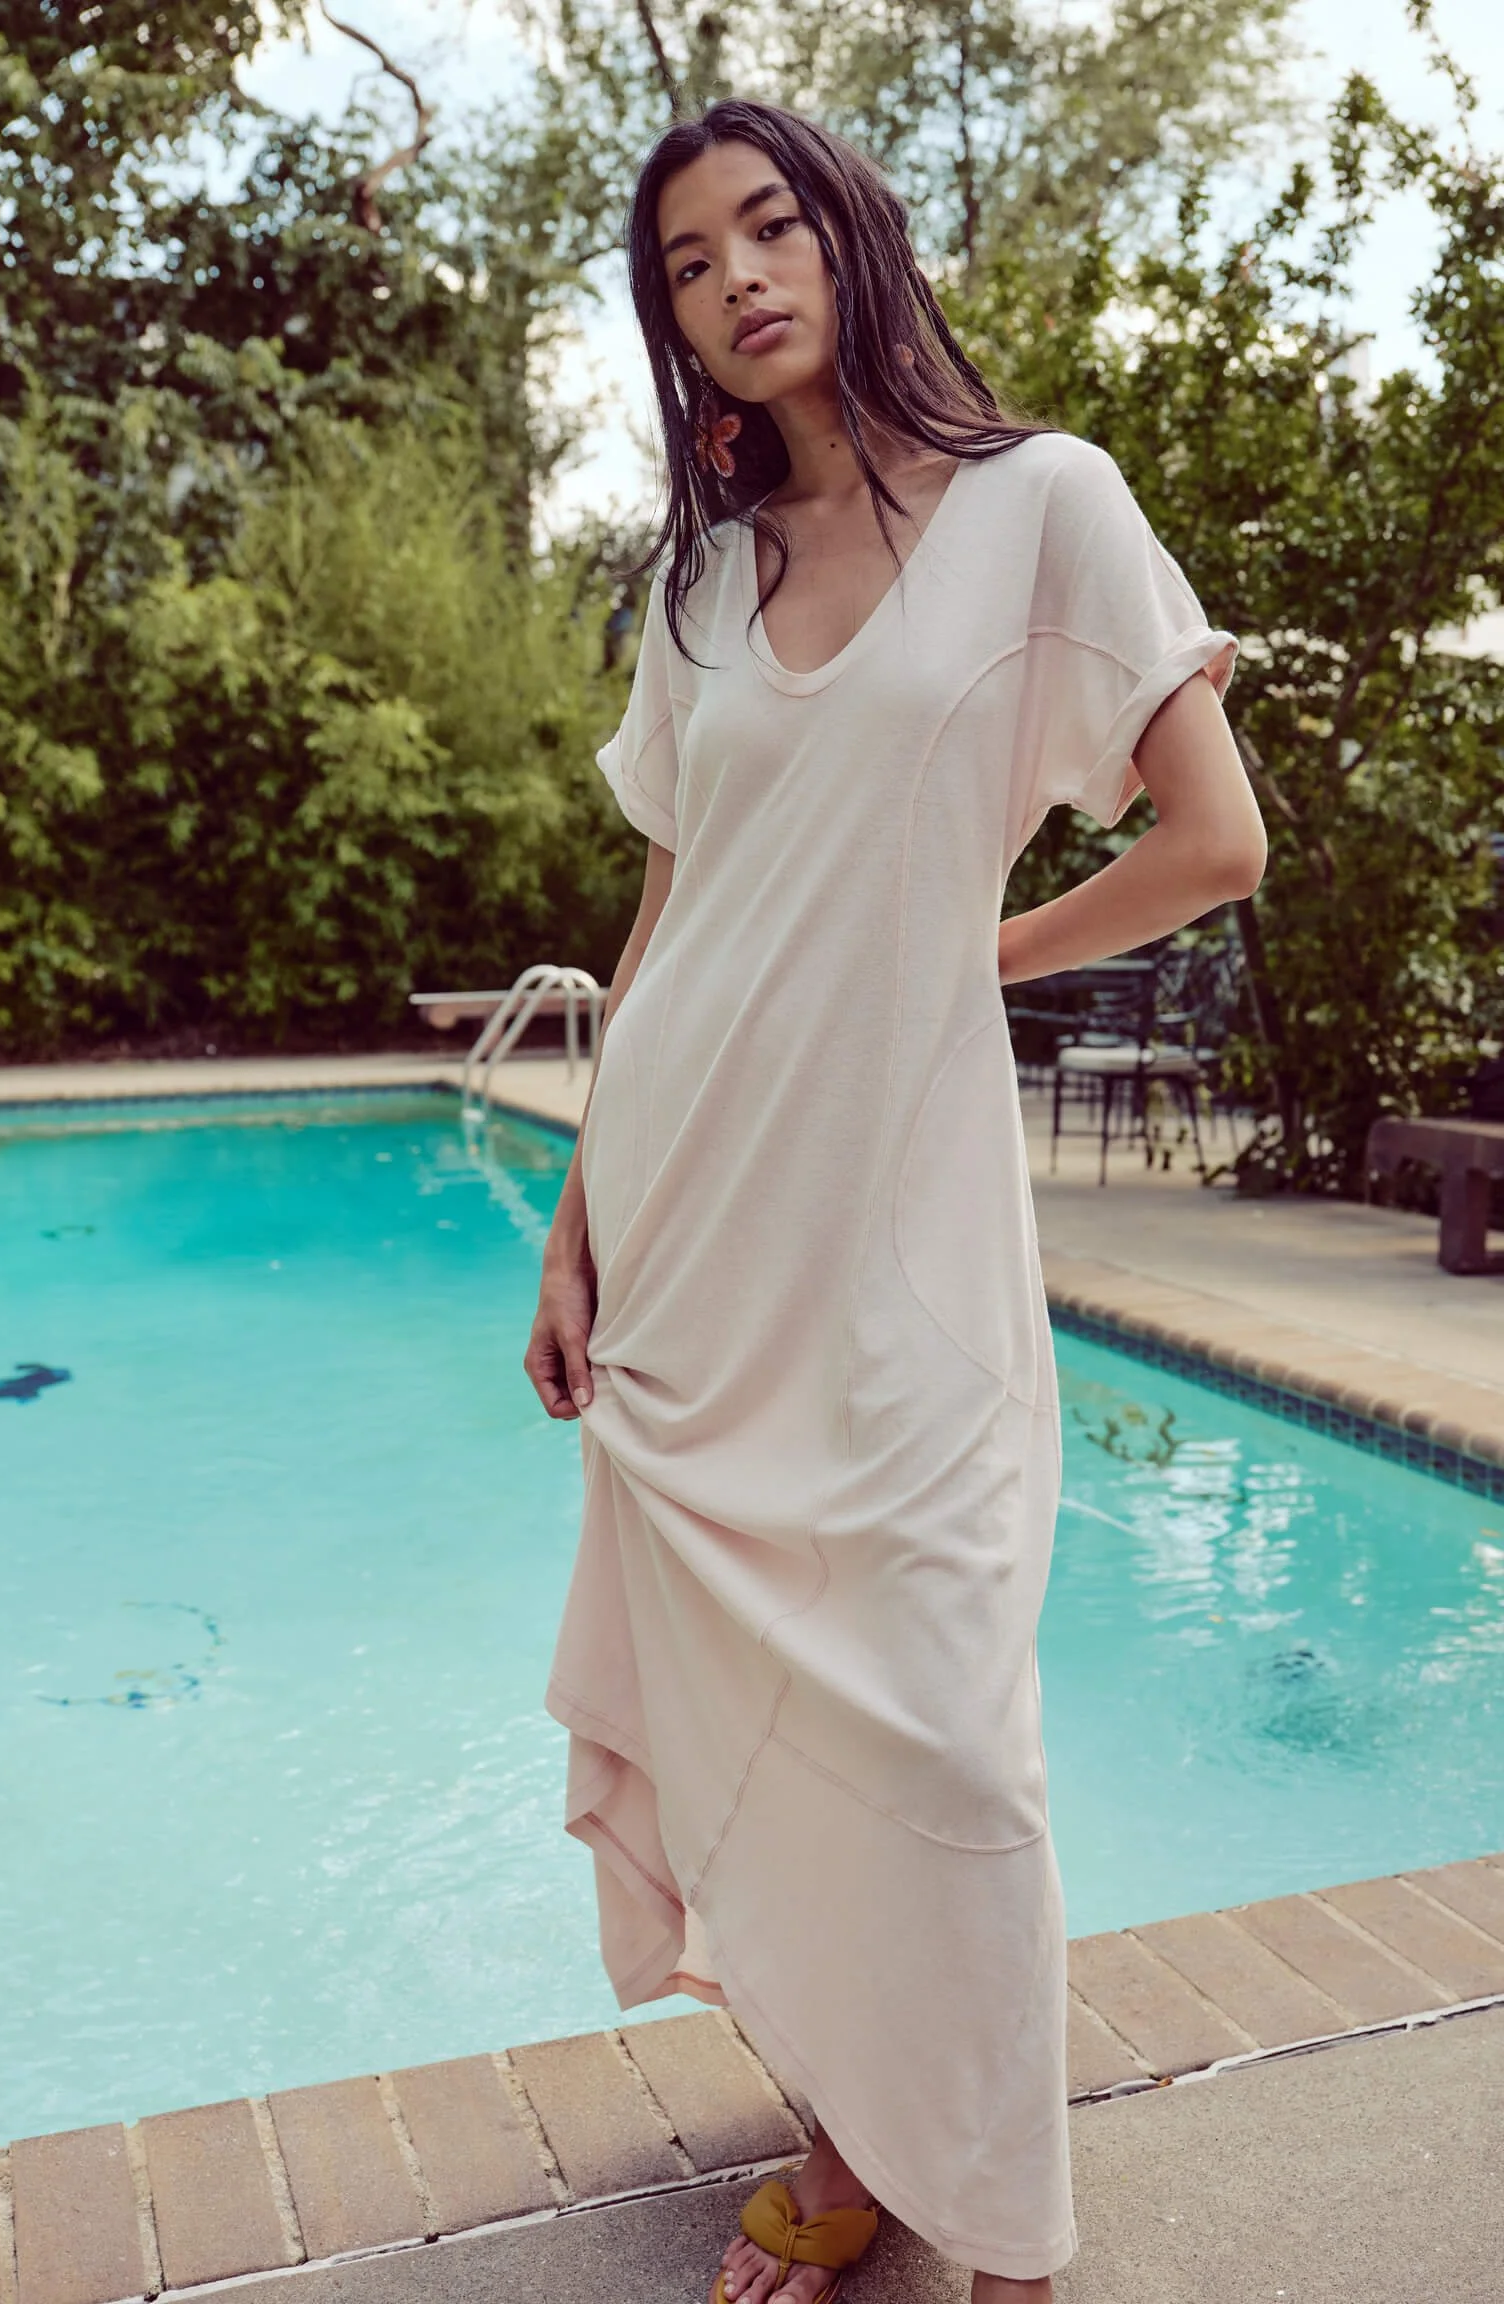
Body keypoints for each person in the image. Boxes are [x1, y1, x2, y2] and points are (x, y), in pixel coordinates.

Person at [524, 98, 1265, 2304]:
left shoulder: (1051, 508)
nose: (736, 277)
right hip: (690, 1216)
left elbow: (1214, 838)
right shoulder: (701, 580)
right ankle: (855, 2144)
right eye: (685, 262)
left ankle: (1008, 2242)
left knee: (943, 1726)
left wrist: (982, 953)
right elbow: (671, 910)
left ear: (848, 235)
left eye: (769, 225)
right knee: (775, 1715)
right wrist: (575, 1214)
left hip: (901, 1222)